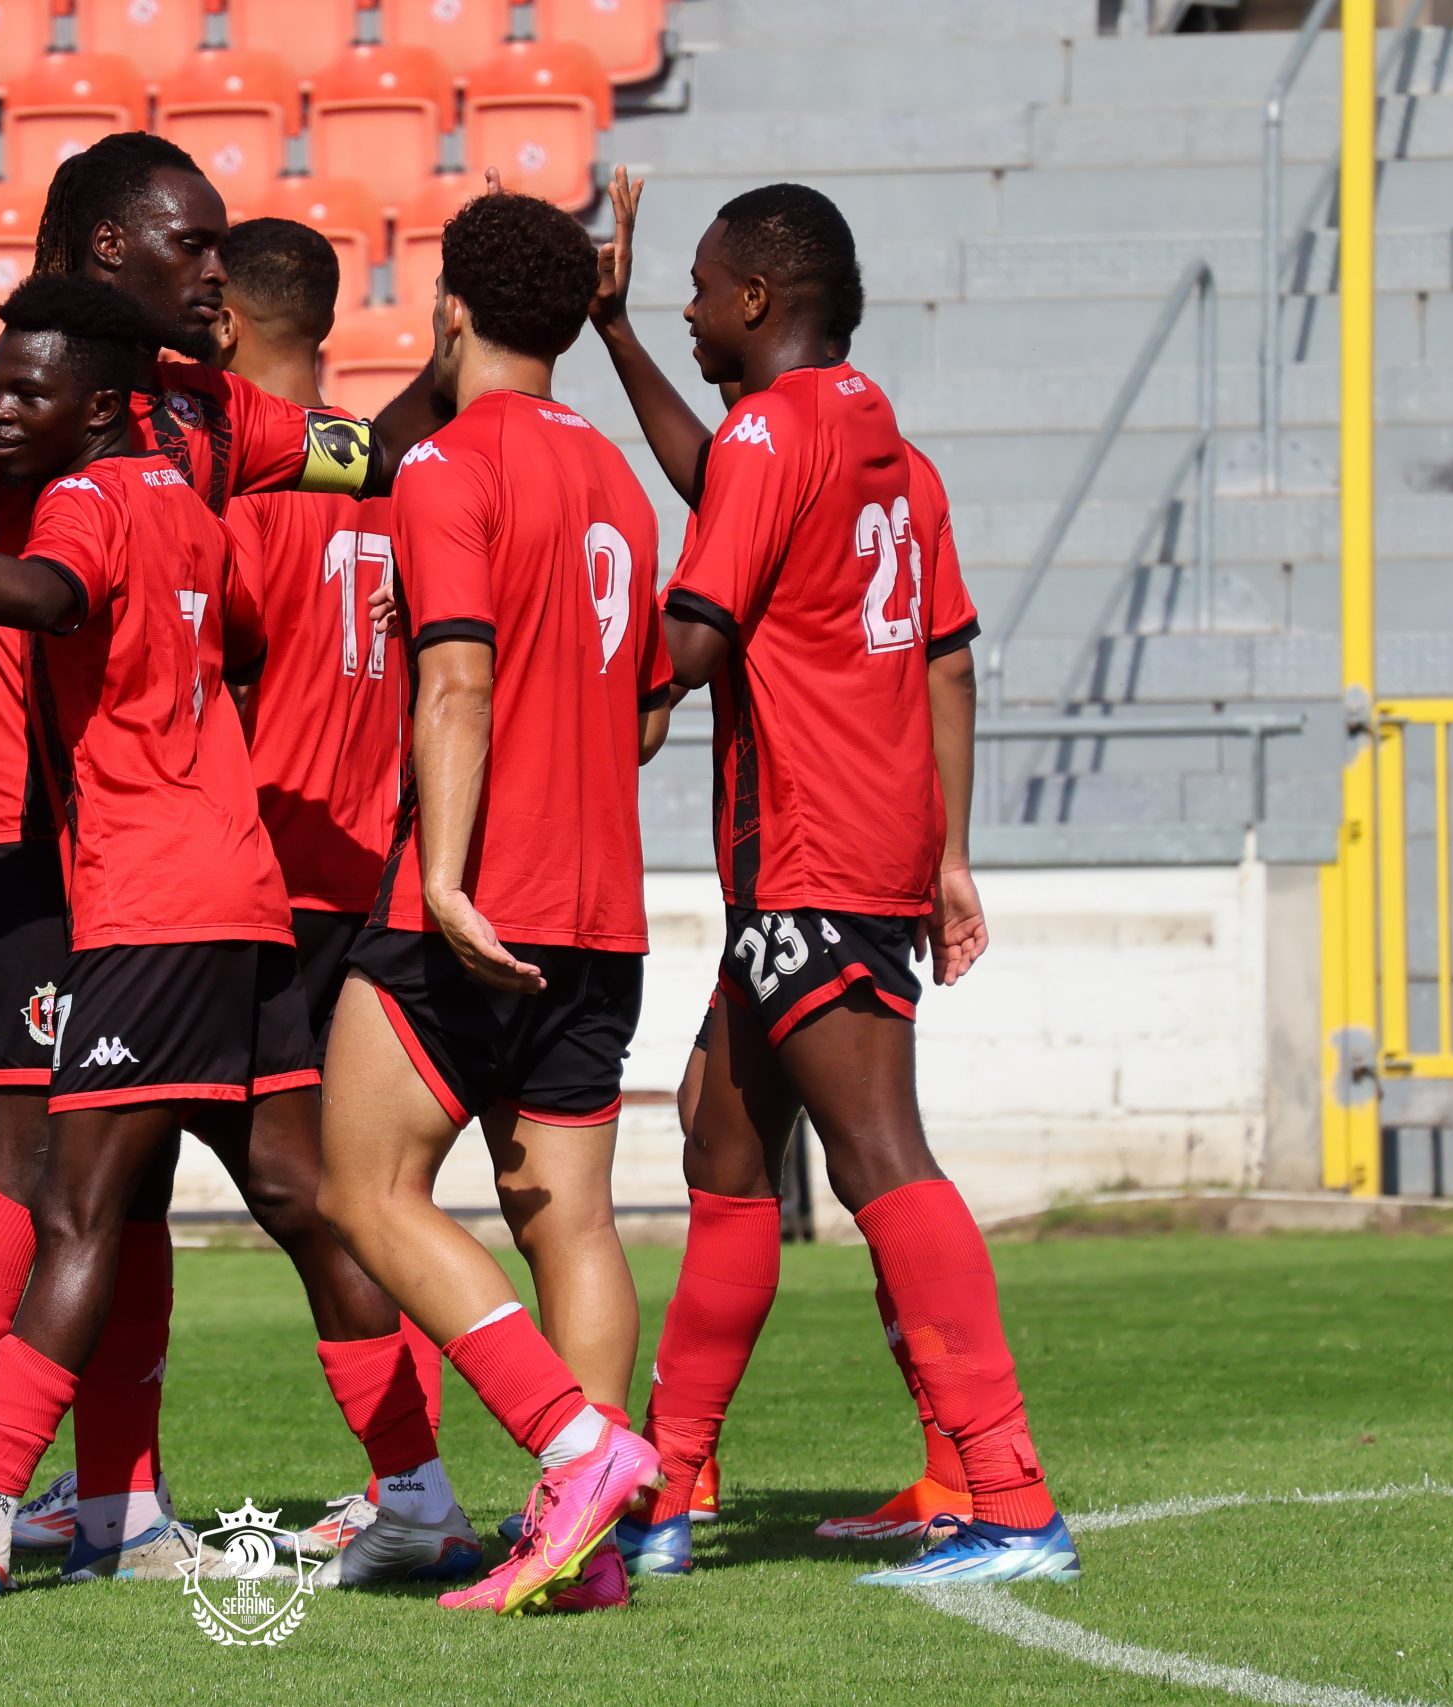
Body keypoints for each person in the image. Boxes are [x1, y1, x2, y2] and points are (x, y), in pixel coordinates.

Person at [0, 132, 431, 1573]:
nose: (216, 267)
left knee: (124, 1181)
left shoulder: (206, 408)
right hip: (20, 828)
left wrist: (478, 373)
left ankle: (116, 1510)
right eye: (191, 243)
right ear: (104, 250)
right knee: (34, 1160)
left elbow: (367, 453)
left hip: (148, 851)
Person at [629, 181, 1076, 1586]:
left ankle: (1012, 1498)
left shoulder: (773, 435)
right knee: (722, 1144)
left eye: (701, 288)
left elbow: (694, 639)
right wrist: (949, 854)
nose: (690, 307)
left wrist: (536, 647)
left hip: (808, 852)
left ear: (758, 298)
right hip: (860, 848)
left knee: (881, 1153)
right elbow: (947, 664)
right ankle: (667, 1493)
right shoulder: (890, 451)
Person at [312, 188, 677, 1617]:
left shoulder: (445, 464)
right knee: (569, 1223)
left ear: (449, 309)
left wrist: (448, 877)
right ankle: (585, 1553)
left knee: (363, 1187)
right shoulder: (620, 483)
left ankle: (575, 1447)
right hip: (603, 906)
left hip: (474, 899)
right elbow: (645, 717)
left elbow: (456, 683)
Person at [205, 216, 454, 1573]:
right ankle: (406, 1478)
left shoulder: (241, 483)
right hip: (376, 865)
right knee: (355, 1189)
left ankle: (409, 1476)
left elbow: (216, 656)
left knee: (289, 1188)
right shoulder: (389, 469)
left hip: (260, 871)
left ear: (225, 324)